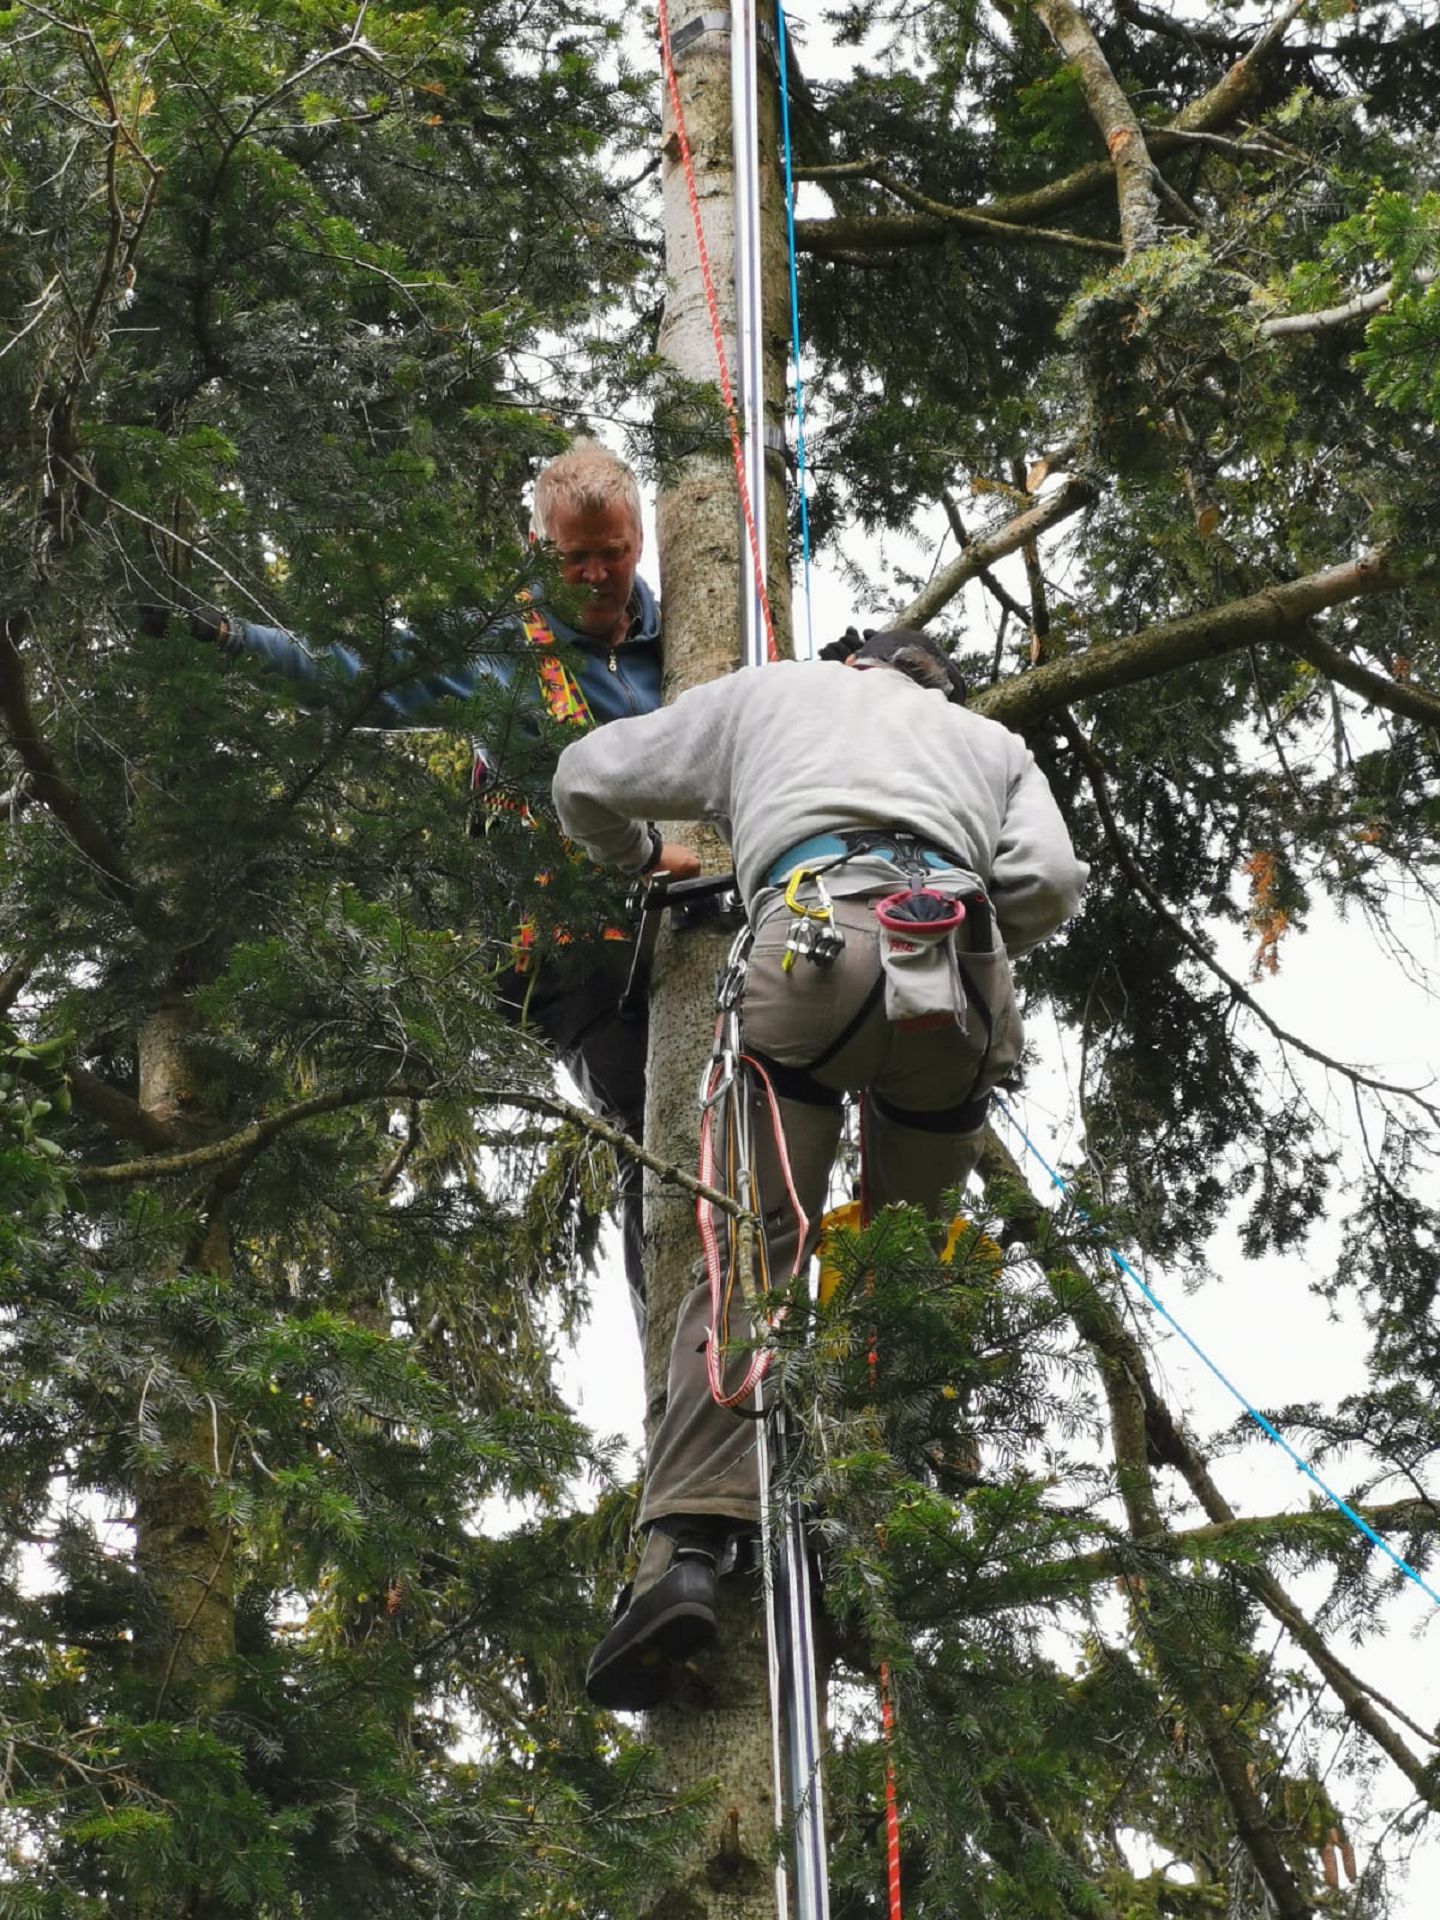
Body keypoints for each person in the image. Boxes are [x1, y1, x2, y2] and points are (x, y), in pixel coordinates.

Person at [551, 628, 1088, 1708]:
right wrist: (970, 923)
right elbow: (1051, 880)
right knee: (905, 1261)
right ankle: (880, 1516)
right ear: (935, 683)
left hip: (810, 946)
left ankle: (693, 1552)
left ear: (856, 662)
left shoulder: (773, 694)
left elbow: (584, 776)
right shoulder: (988, 742)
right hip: (960, 974)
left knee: (750, 1250)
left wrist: (642, 863)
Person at [144, 440, 687, 1329]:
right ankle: (677, 1351)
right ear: (535, 546)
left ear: (641, 542)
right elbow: (352, 671)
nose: (596, 574)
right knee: (649, 1117)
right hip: (572, 944)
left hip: (696, 909)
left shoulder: (696, 638)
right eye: (573, 557)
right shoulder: (495, 652)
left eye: (614, 553)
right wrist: (232, 642)